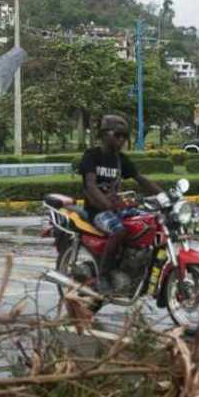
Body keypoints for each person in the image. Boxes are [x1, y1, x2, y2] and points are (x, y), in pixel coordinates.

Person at [79, 114, 163, 291]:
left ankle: (134, 269)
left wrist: (166, 197)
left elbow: (141, 179)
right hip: (97, 211)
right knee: (119, 230)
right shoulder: (92, 155)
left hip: (116, 209)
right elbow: (90, 185)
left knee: (150, 223)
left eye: (124, 136)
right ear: (104, 134)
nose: (122, 140)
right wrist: (107, 204)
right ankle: (103, 276)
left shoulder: (121, 160)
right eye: (117, 135)